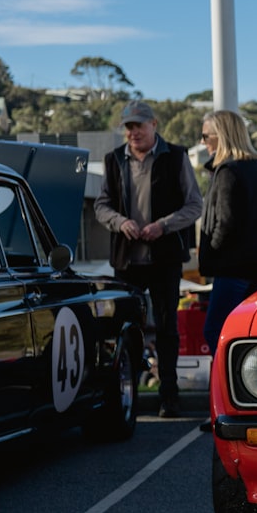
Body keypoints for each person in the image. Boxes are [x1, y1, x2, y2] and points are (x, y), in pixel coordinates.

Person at [95, 100, 203, 418]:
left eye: (138, 126)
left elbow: (195, 205)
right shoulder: (113, 160)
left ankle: (169, 395)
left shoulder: (177, 156)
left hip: (165, 259)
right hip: (126, 261)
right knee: (127, 330)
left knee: (168, 329)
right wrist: (120, 222)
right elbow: (101, 206)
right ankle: (127, 396)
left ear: (154, 124)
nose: (133, 132)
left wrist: (163, 226)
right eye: (128, 127)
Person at [198, 109, 257, 356]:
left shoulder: (228, 172)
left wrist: (210, 255)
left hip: (232, 269)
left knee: (217, 331)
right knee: (250, 334)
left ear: (221, 136)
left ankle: (228, 389)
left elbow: (225, 223)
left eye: (206, 136)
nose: (203, 142)